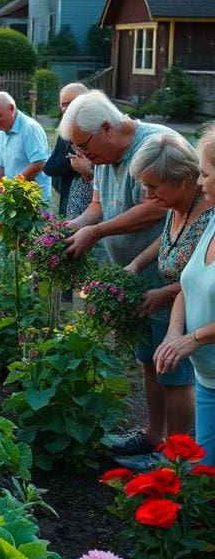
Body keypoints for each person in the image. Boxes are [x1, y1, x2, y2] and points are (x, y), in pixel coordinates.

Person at [60, 90, 191, 466]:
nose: (84, 157)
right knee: (149, 359)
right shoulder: (104, 155)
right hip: (137, 277)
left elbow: (154, 210)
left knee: (174, 365)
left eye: (85, 146)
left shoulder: (156, 147)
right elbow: (99, 206)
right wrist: (74, 227)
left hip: (169, 279)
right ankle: (153, 437)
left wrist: (97, 233)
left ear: (106, 127)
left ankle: (174, 456)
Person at [119, 134, 211, 468]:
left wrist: (164, 293)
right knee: (154, 368)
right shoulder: (177, 206)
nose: (147, 195)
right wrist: (137, 264)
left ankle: (173, 456)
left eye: (154, 186)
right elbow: (168, 239)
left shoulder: (209, 215)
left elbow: (199, 279)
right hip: (167, 310)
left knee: (177, 381)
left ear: (184, 180)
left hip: (193, 320)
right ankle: (153, 439)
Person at [156, 127, 215, 462]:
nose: (199, 183)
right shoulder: (212, 221)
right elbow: (187, 285)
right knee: (204, 480)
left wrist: (196, 337)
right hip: (208, 377)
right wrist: (174, 333)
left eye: (205, 174)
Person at [0, 91, 51, 201]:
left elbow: (39, 163)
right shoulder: (2, 132)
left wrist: (13, 185)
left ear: (11, 109)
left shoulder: (30, 129)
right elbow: (1, 165)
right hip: (14, 197)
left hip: (34, 199)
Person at [44, 83, 94, 218]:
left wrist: (86, 170)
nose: (66, 109)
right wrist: (73, 163)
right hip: (68, 201)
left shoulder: (96, 130)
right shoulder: (65, 131)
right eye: (63, 104)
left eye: (70, 103)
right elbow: (50, 167)